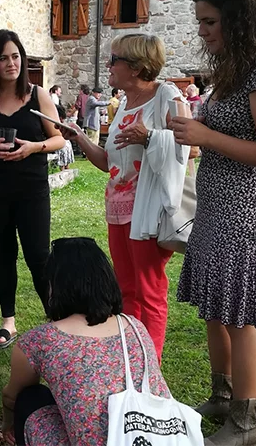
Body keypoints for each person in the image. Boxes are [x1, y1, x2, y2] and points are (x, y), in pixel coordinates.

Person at [170, 0, 256, 445]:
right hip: (215, 207)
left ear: (238, 18)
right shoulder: (233, 66)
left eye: (210, 21)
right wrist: (194, 134)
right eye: (200, 21)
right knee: (215, 308)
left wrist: (205, 136)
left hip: (246, 213)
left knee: (243, 316)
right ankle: (223, 397)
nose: (202, 31)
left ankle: (247, 423)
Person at [58, 34, 187, 361]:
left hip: (148, 210)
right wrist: (79, 138)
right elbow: (108, 163)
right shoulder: (125, 103)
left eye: (114, 59)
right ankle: (131, 358)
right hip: (117, 208)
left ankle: (150, 368)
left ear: (137, 67)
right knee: (126, 289)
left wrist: (150, 137)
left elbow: (191, 147)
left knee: (149, 290)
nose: (108, 65)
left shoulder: (166, 95)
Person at [0, 237, 170, 445]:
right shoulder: (135, 327)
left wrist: (7, 425)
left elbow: (11, 397)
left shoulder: (39, 341)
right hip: (156, 436)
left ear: (54, 286)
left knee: (30, 397)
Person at [0, 29, 65, 349]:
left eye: (16, 56)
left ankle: (57, 321)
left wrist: (34, 147)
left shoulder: (38, 95)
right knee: (4, 255)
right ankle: (8, 322)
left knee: (39, 256)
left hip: (31, 188)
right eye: (3, 58)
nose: (11, 63)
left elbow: (59, 138)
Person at [54, 105, 74, 170]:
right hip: (66, 144)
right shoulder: (64, 122)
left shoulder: (57, 124)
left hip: (61, 145)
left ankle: (63, 169)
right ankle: (65, 168)